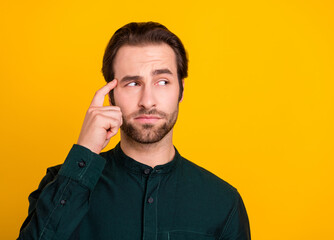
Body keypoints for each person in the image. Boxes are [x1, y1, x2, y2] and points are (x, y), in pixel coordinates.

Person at [18, 21, 251, 240]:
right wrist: (85, 152)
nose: (147, 101)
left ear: (180, 91)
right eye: (132, 83)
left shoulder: (223, 201)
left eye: (162, 82)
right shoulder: (62, 186)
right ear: (110, 95)